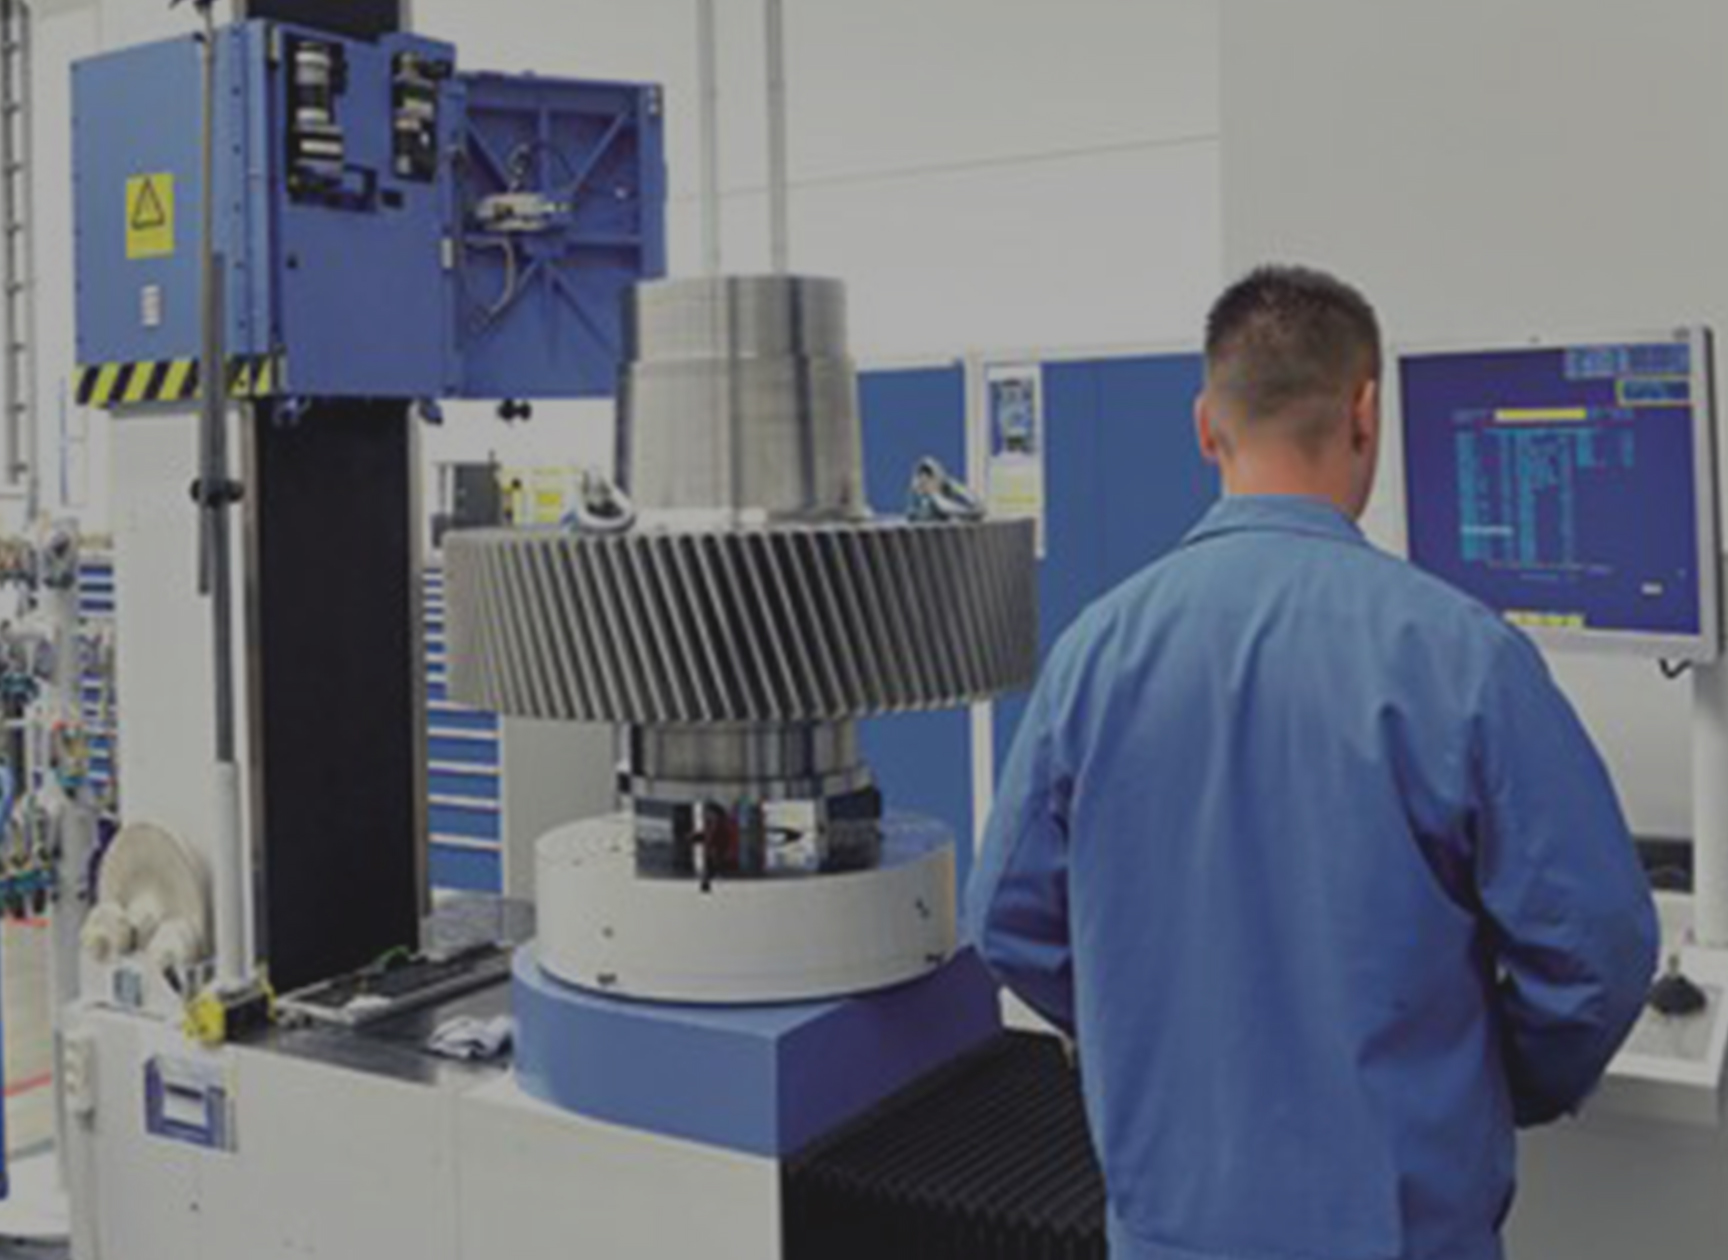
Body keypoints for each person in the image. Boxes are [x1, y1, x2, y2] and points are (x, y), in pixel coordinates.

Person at [967, 265, 1660, 1260]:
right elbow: (1598, 953)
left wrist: (1149, 1031)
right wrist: (1499, 1078)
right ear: (1366, 414)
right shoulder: (1460, 655)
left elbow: (1006, 918)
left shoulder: (1096, 650)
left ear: (1206, 425)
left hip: (1169, 1231)